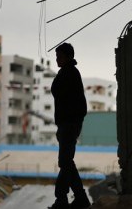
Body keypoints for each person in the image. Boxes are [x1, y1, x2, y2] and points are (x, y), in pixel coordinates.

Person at [48, 43, 90, 209]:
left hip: (69, 125)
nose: (57, 59)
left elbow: (68, 100)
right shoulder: (68, 73)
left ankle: (62, 198)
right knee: (66, 162)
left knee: (65, 162)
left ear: (66, 56)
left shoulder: (69, 73)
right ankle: (79, 198)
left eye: (59, 56)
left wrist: (68, 125)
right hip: (68, 124)